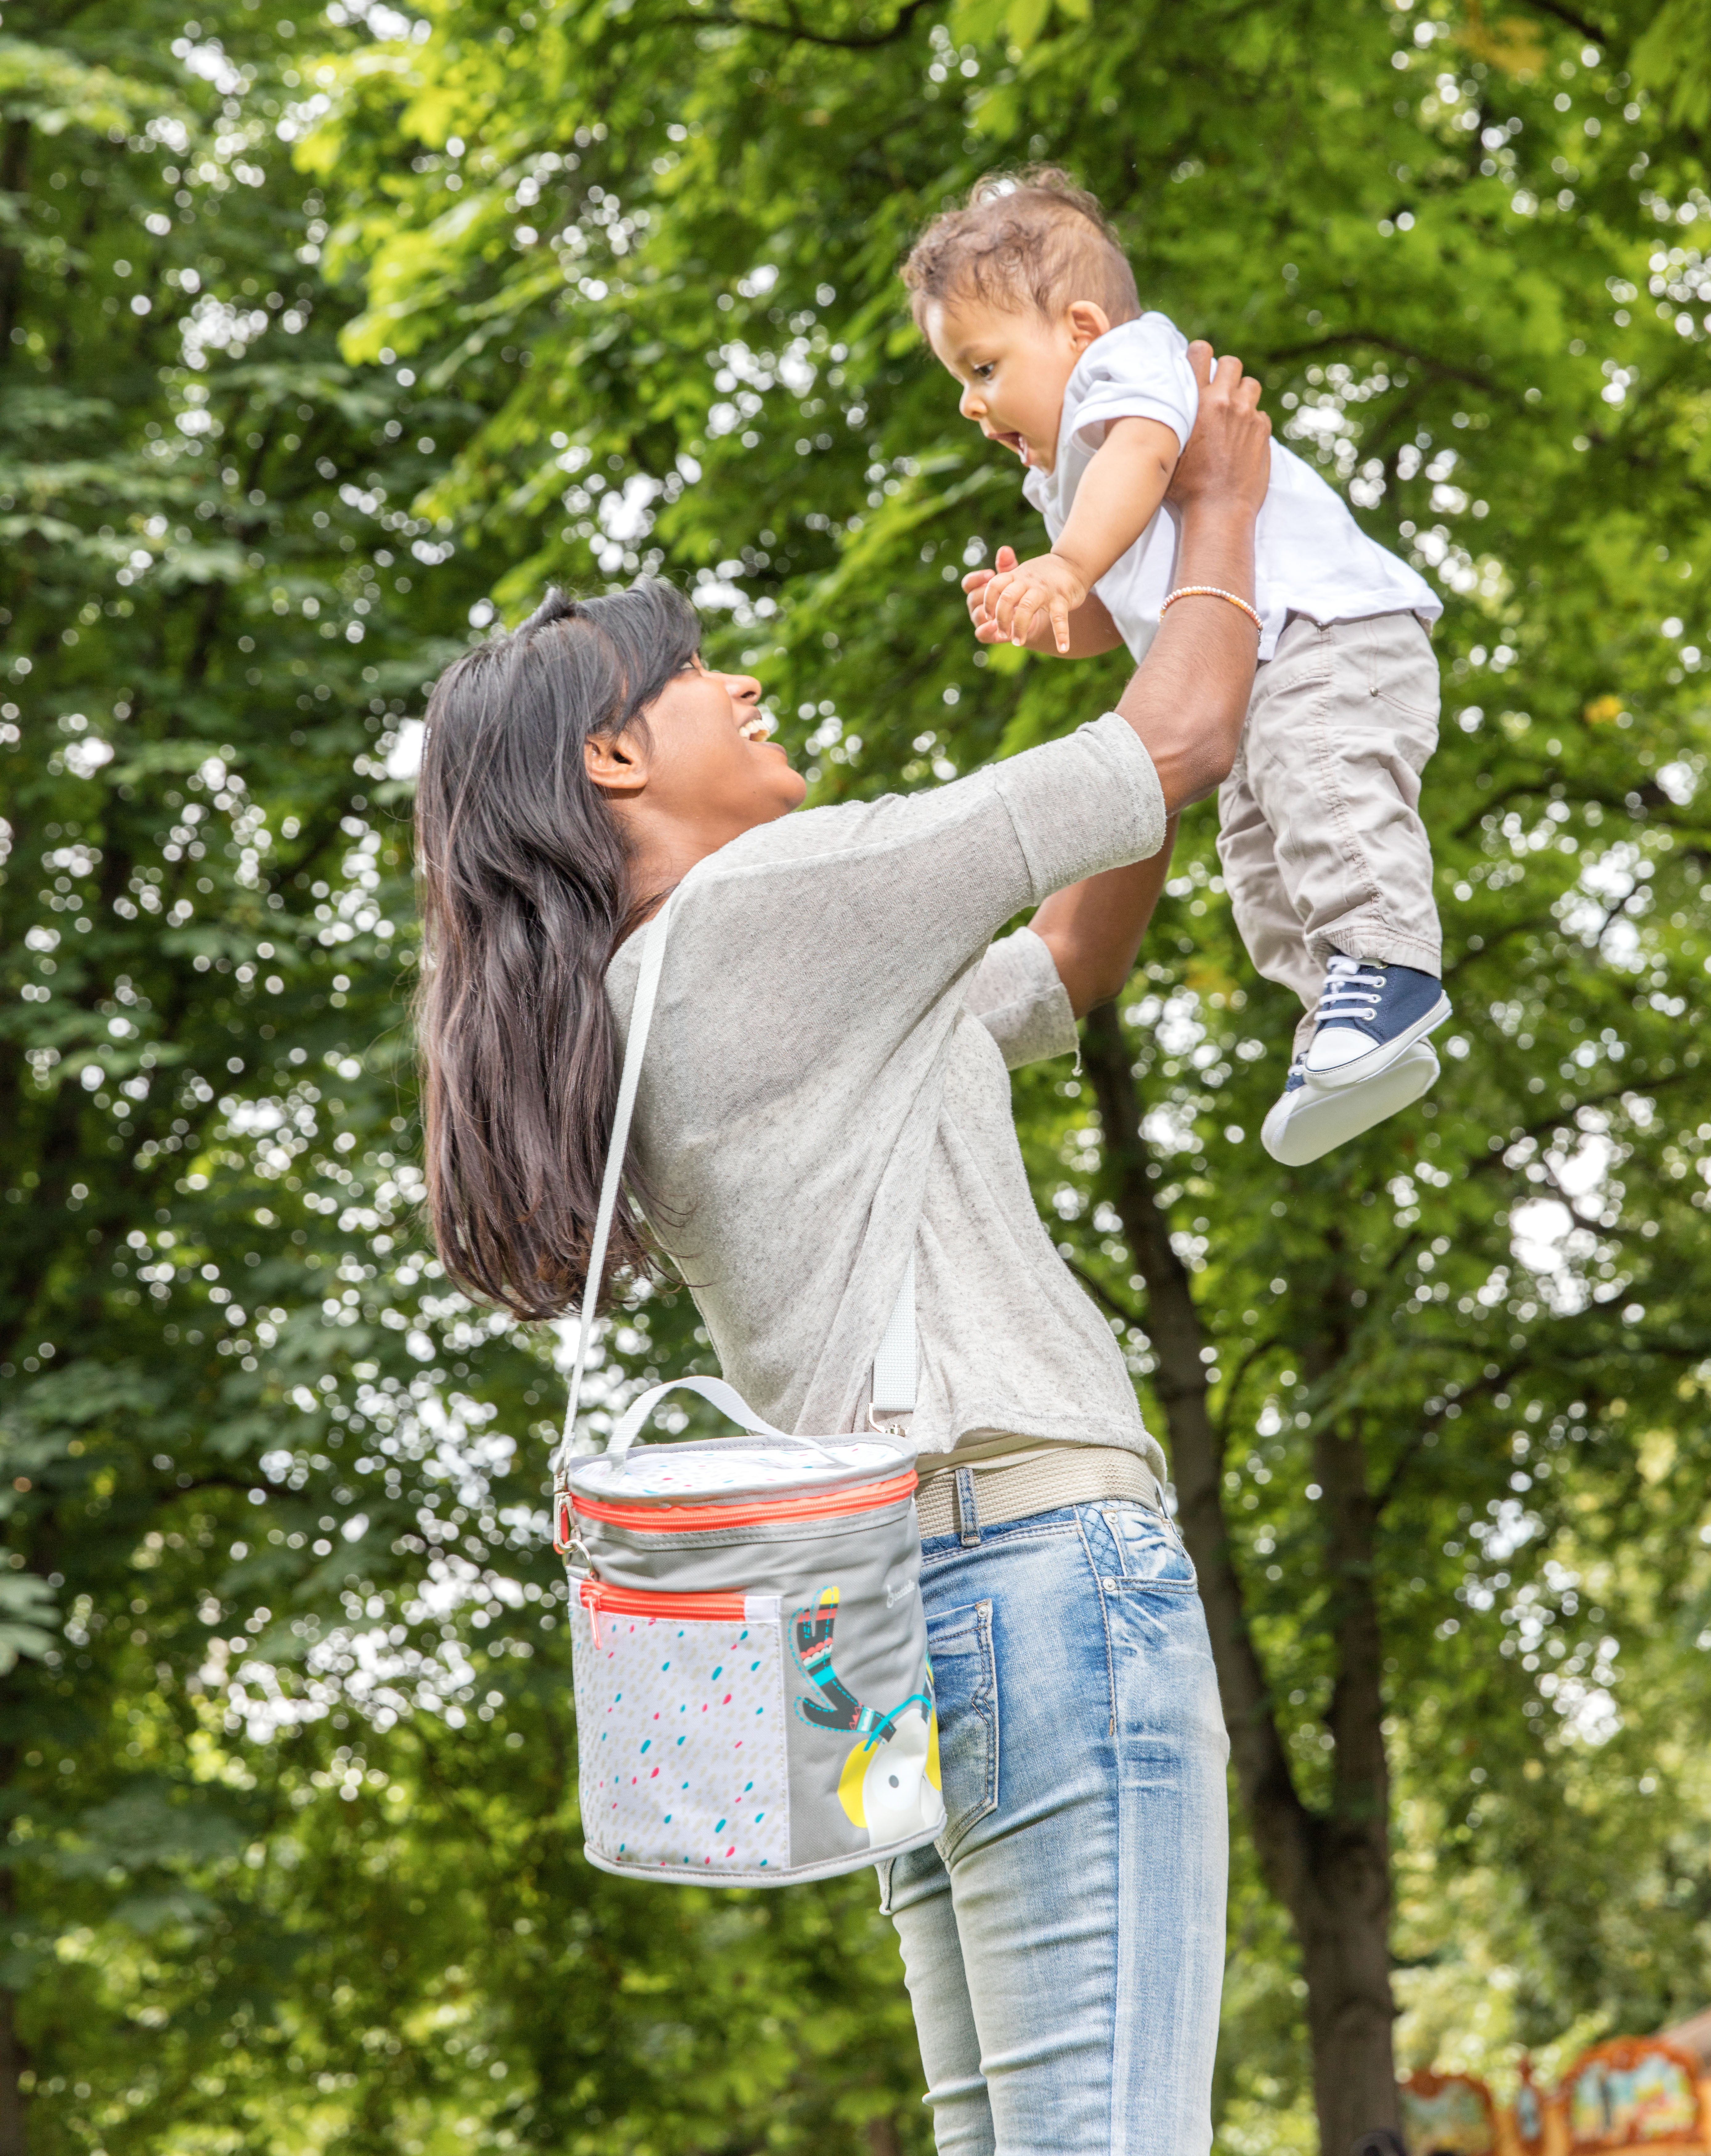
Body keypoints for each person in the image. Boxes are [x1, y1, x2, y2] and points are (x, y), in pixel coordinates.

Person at [412, 350, 1271, 2156]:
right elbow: (1180, 743)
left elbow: (1061, 969)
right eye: (694, 672)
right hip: (1036, 1574)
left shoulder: (674, 1008)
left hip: (902, 1632)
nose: (741, 678)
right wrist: (1211, 510)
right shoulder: (769, 910)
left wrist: (1125, 656)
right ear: (620, 756)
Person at [902, 167, 1451, 1168]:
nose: (971, 407)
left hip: (1324, 637)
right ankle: (1341, 1023)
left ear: (1077, 329)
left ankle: (1388, 966)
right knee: (1257, 867)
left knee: (1325, 796)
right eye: (959, 384)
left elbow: (1153, 458)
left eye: (981, 369)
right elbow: (1125, 619)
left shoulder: (1129, 369)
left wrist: (1069, 565)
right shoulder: (1064, 477)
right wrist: (1056, 615)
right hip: (1256, 681)